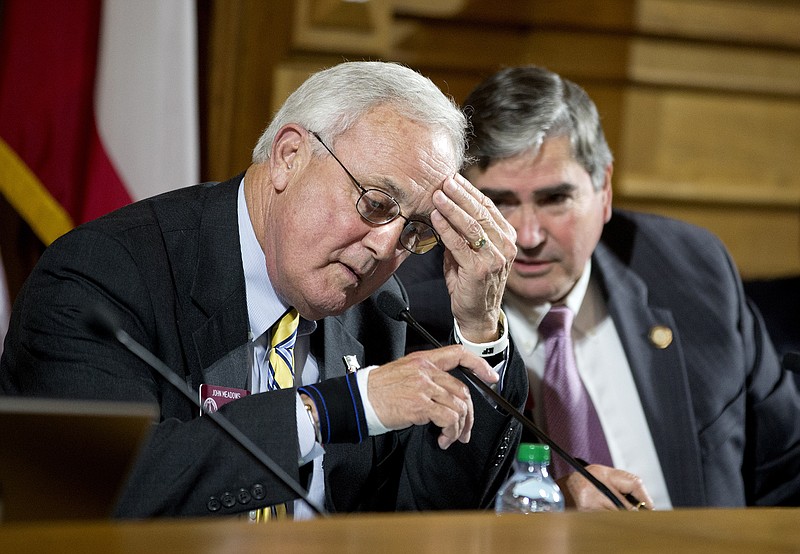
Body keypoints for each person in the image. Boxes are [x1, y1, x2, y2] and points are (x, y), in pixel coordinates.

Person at [0, 61, 535, 518]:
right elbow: (97, 486)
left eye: (415, 231)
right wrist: (333, 409)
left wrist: (479, 326)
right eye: (375, 202)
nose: (384, 248)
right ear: (288, 157)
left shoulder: (377, 312)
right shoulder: (108, 275)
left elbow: (426, 517)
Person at [397, 65, 800, 509]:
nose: (527, 236)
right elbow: (408, 504)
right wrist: (551, 502)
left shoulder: (692, 271)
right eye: (499, 203)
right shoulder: (409, 307)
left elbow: (787, 466)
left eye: (555, 199)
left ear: (604, 189)